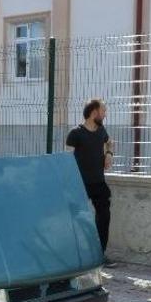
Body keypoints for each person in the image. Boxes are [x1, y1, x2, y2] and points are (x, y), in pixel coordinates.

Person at [66, 99, 115, 265]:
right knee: (76, 219)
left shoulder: (101, 130)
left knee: (104, 216)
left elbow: (109, 142)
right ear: (94, 112)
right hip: (79, 184)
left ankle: (100, 254)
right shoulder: (75, 133)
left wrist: (109, 154)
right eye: (103, 111)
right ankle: (74, 255)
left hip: (98, 183)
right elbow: (67, 159)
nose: (105, 114)